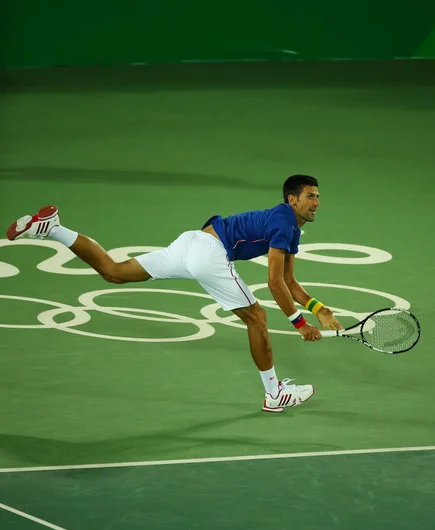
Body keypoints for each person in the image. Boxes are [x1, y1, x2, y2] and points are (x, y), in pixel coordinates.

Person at [6, 174, 342, 412]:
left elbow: (290, 282)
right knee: (256, 317)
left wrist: (319, 309)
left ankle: (53, 228)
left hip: (190, 243)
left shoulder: (289, 229)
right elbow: (274, 283)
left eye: (318, 196)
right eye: (310, 196)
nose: (317, 202)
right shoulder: (284, 223)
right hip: (210, 251)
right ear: (292, 199)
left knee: (114, 271)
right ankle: (274, 394)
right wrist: (300, 325)